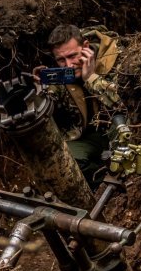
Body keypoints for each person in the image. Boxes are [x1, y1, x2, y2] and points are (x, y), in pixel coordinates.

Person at [34, 24, 126, 190]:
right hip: (87, 134)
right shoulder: (61, 73)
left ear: (85, 47)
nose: (68, 65)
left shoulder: (114, 58)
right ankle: (106, 186)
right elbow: (53, 106)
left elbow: (123, 104)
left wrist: (91, 77)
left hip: (120, 128)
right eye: (61, 60)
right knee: (68, 160)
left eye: (72, 56)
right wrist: (41, 92)